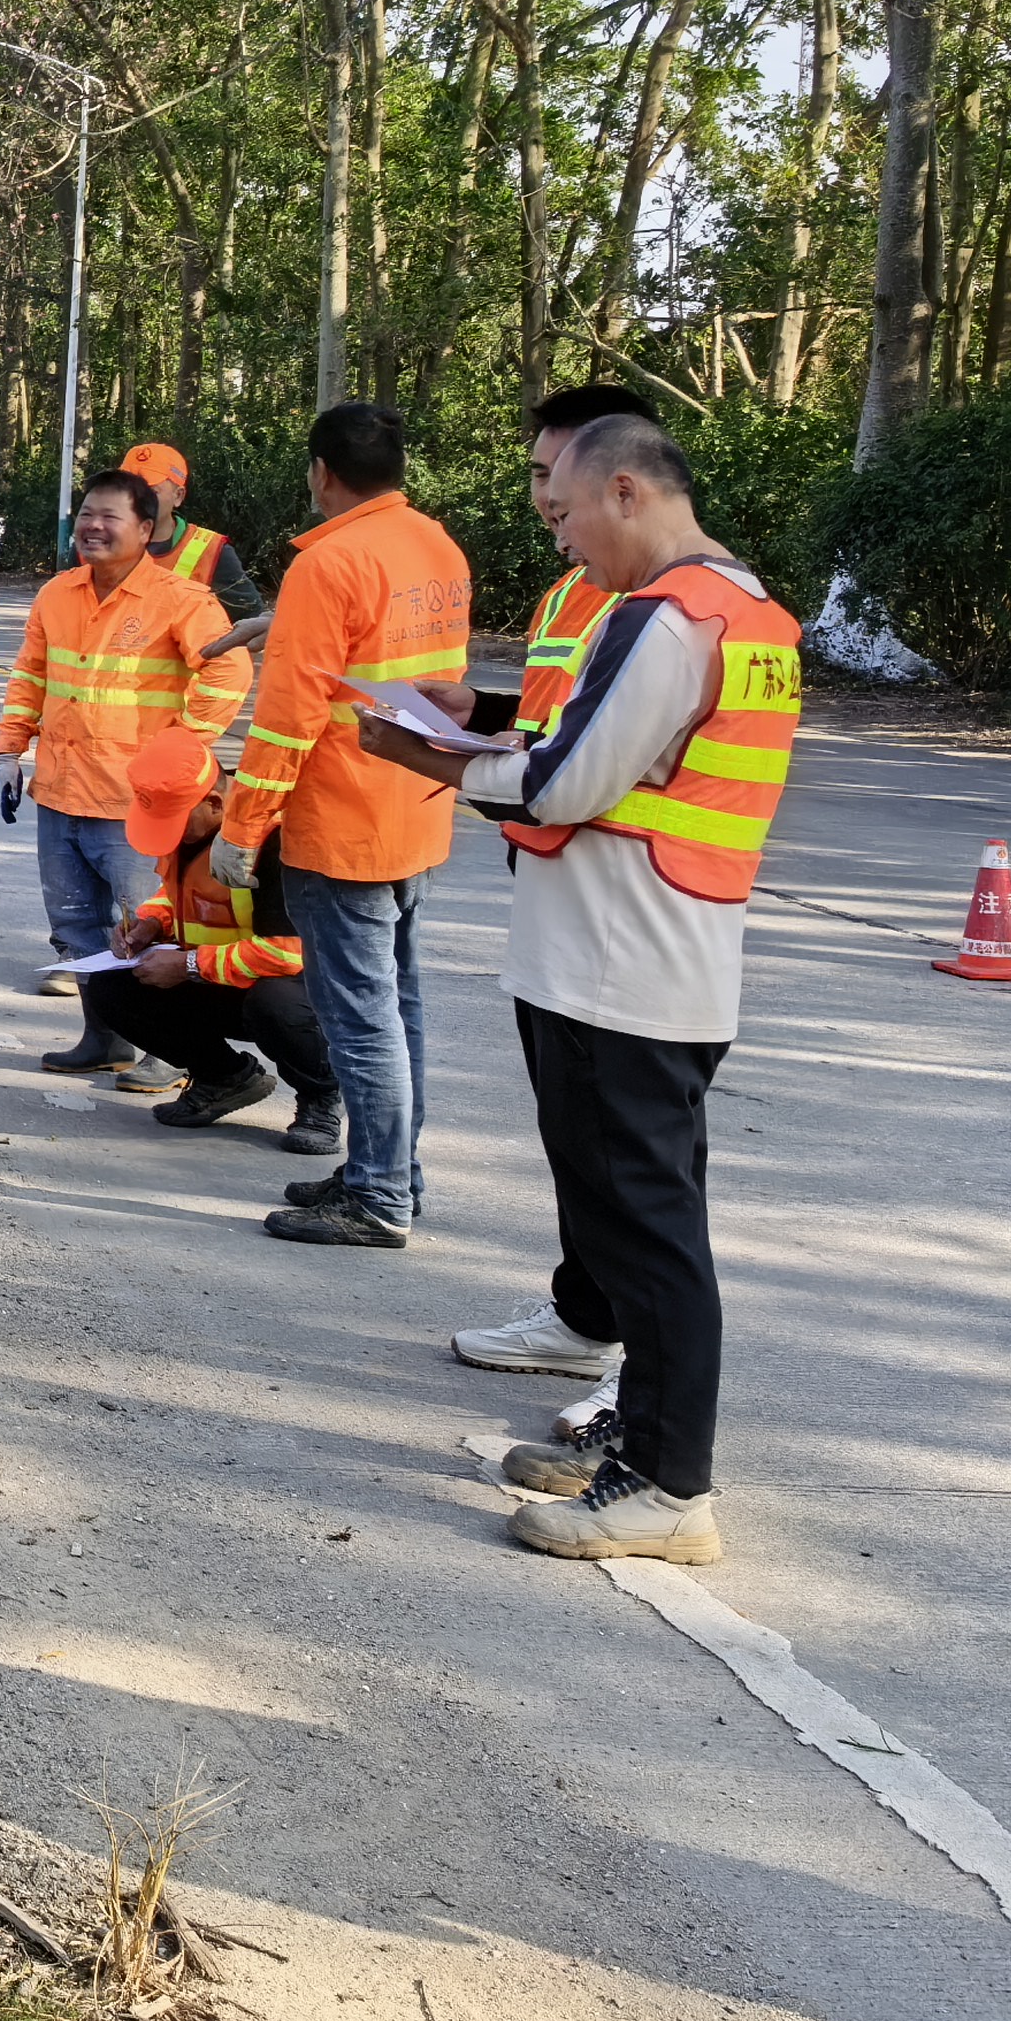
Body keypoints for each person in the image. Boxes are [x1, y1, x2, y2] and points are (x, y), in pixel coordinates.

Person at [357, 415, 797, 1563]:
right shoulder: (739, 609)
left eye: (565, 514)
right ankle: (640, 1443)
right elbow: (608, 744)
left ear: (630, 492)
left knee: (645, 1237)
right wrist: (485, 728)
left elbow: (567, 782)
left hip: (620, 965)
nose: (564, 543)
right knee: (632, 1226)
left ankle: (666, 1487)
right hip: (656, 953)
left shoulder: (667, 615)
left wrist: (430, 761)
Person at [213, 401, 473, 1249]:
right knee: (400, 1008)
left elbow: (287, 720)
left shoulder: (330, 563)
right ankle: (392, 1174)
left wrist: (242, 829)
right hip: (415, 807)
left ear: (320, 472)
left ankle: (379, 1198)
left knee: (361, 1018)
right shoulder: (434, 545)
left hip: (344, 818)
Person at [447, 385, 663, 1395]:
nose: (542, 501)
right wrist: (474, 710)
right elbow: (557, 723)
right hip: (550, 878)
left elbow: (596, 759)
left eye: (553, 479)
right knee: (570, 1133)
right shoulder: (572, 591)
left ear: (616, 477)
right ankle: (586, 1313)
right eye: (535, 476)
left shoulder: (655, 600)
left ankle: (639, 1374)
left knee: (626, 1160)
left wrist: (452, 765)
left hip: (627, 909)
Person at [0, 469, 243, 1078]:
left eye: (109, 517)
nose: (93, 527)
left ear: (147, 528)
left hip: (135, 803)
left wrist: (180, 755)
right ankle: (104, 1036)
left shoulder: (182, 601)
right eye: (86, 514)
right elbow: (30, 677)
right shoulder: (58, 594)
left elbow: (228, 671)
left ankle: (172, 1051)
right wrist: (9, 752)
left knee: (151, 927)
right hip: (60, 791)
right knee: (77, 925)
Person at [88, 726, 338, 1149]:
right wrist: (152, 924)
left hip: (289, 986)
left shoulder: (276, 839)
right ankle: (225, 1078)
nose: (167, 833)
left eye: (173, 822)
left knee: (276, 1005)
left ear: (215, 804)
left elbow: (292, 951)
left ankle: (321, 1097)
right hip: (220, 976)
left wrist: (187, 966)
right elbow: (180, 897)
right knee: (112, 987)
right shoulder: (193, 829)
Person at [119, 442, 268, 638]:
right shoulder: (90, 547)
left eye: (151, 491)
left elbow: (253, 622)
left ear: (178, 496)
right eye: (125, 488)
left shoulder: (212, 552)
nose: (135, 498)